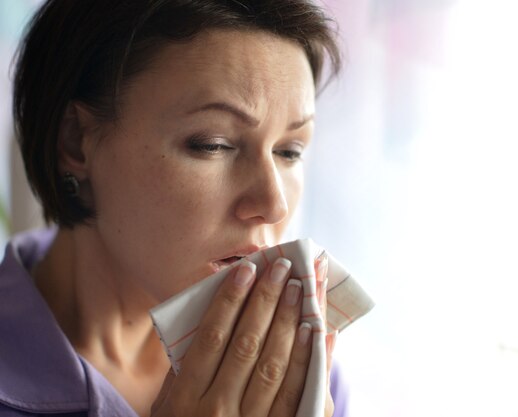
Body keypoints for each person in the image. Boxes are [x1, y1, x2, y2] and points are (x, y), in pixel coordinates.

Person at [0, 1, 345, 416]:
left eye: (289, 151)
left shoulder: (287, 370)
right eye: (212, 144)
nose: (274, 205)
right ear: (76, 140)